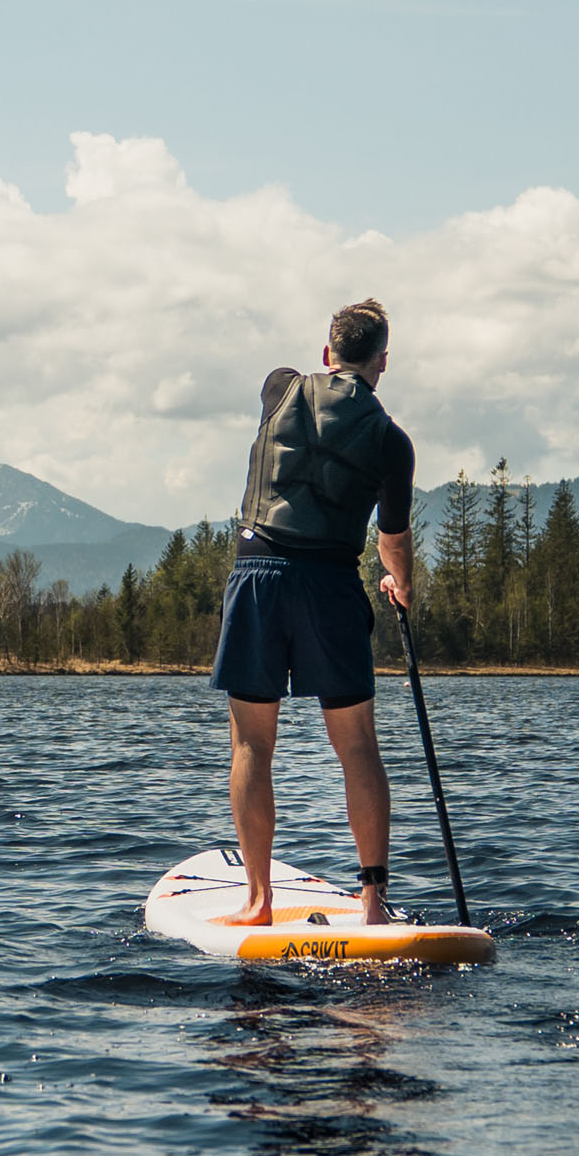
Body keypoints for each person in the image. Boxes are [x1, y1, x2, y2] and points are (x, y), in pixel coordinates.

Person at [208, 298, 415, 926]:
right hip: (329, 584)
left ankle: (258, 901)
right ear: (384, 361)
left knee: (251, 742)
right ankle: (373, 903)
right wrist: (399, 585)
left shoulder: (279, 388)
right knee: (357, 746)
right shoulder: (391, 441)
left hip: (258, 575)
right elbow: (392, 541)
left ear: (327, 353)